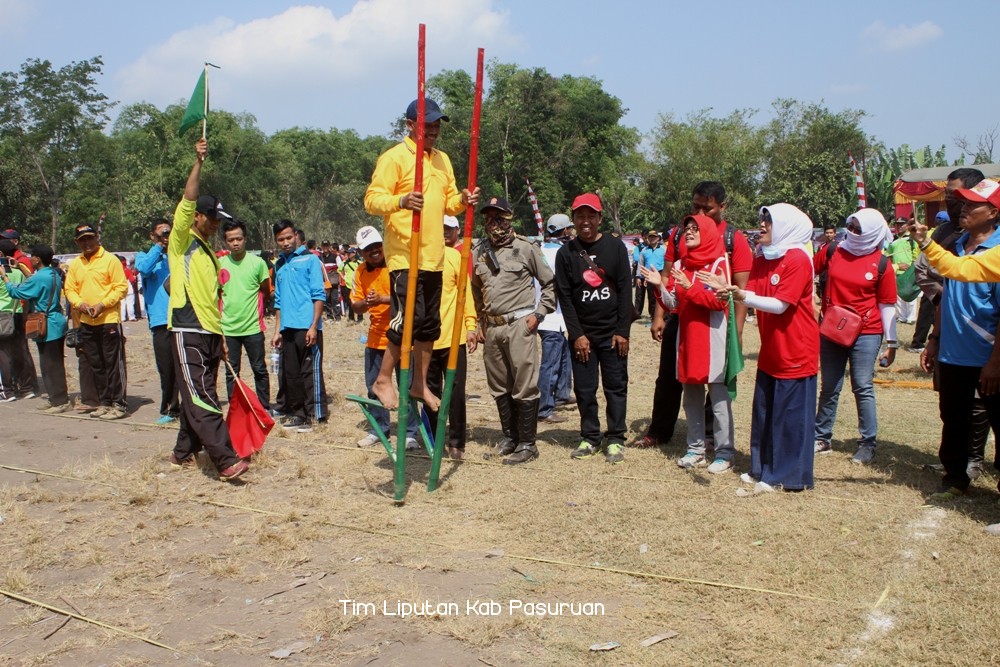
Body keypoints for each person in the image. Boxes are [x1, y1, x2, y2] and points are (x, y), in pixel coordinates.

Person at [363, 97, 479, 411]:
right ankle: (383, 378)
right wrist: (400, 201)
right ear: (411, 125)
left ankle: (419, 383)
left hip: (435, 256)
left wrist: (464, 199)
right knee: (407, 322)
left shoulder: (442, 159)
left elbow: (450, 202)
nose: (433, 130)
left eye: (437, 124)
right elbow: (372, 200)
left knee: (429, 326)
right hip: (405, 255)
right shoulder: (395, 157)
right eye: (427, 124)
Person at [701, 204, 819, 491]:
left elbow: (780, 305)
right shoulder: (764, 257)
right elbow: (749, 294)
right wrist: (728, 288)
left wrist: (742, 295)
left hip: (796, 350)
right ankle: (762, 468)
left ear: (787, 225)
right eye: (762, 219)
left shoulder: (797, 259)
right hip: (771, 351)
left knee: (788, 417)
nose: (762, 224)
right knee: (765, 412)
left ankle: (785, 476)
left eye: (769, 220)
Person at [632, 181, 753, 449]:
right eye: (695, 206)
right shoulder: (680, 234)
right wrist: (658, 316)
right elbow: (667, 276)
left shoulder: (734, 240)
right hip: (682, 316)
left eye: (706, 209)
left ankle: (710, 436)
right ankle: (659, 430)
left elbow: (742, 290)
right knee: (669, 375)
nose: (699, 214)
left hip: (717, 321)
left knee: (715, 378)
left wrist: (739, 332)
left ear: (722, 207)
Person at [166, 139, 247, 481]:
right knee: (202, 396)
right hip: (187, 329)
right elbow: (187, 198)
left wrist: (222, 337)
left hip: (210, 332)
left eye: (219, 219)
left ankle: (182, 454)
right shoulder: (182, 239)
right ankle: (225, 459)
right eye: (211, 218)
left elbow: (212, 299)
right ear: (197, 216)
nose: (216, 224)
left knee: (197, 393)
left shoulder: (210, 254)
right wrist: (198, 162)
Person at [914, 178, 1000, 502]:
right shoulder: (958, 244)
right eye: (962, 202)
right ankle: (955, 478)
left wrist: (995, 361)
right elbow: (946, 297)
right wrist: (935, 339)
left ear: (993, 212)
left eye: (971, 204)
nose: (963, 208)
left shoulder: (996, 252)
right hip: (953, 354)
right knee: (953, 418)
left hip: (987, 356)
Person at [643, 215, 734, 474]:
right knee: (691, 396)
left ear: (707, 232)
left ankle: (725, 452)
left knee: (718, 399)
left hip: (712, 335)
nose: (690, 232)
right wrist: (660, 286)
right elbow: (674, 305)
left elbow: (719, 302)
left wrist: (690, 285)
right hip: (688, 336)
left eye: (696, 229)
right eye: (687, 229)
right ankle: (695, 449)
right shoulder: (681, 263)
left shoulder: (718, 261)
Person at [472, 196, 555, 464]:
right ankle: (510, 438)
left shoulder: (526, 248)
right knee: (499, 386)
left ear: (509, 219)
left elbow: (550, 284)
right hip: (493, 329)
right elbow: (475, 289)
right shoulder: (479, 251)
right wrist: (479, 321)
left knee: (524, 386)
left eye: (499, 217)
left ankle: (528, 444)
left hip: (520, 324)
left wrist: (539, 315)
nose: (493, 223)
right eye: (488, 218)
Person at [813, 208, 897, 465]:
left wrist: (891, 343)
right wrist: (812, 302)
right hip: (832, 330)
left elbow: (887, 304)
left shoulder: (882, 263)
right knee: (829, 386)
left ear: (872, 232)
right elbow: (806, 271)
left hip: (867, 333)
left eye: (859, 229)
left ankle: (867, 443)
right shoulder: (833, 250)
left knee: (862, 386)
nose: (852, 232)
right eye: (851, 226)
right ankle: (822, 437)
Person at [555, 193, 631, 464]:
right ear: (573, 219)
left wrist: (623, 331)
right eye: (580, 216)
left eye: (591, 215)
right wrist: (577, 335)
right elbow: (564, 296)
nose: (585, 221)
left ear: (600, 218)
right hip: (583, 336)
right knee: (585, 390)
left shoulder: (616, 248)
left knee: (615, 387)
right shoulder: (566, 253)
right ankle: (590, 436)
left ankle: (615, 438)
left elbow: (625, 290)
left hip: (612, 335)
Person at [350, 226, 419, 450]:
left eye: (376, 246)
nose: (374, 251)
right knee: (374, 386)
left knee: (407, 385)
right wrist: (368, 303)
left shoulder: (396, 264)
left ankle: (409, 432)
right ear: (361, 252)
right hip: (374, 339)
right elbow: (356, 305)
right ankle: (379, 429)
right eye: (368, 249)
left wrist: (381, 298)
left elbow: (408, 296)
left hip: (400, 337)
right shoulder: (360, 272)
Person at [63, 224, 129, 420]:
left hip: (108, 319)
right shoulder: (75, 264)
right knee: (96, 364)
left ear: (97, 237)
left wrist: (102, 304)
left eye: (90, 238)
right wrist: (80, 304)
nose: (87, 243)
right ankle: (104, 402)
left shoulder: (110, 260)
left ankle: (119, 404)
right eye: (82, 240)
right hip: (86, 321)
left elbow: (121, 288)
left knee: (113, 364)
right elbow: (69, 289)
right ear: (77, 242)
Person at [271, 219, 328, 433]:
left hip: (307, 326)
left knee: (309, 372)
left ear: (296, 235)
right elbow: (278, 301)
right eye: (280, 239)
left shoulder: (310, 260)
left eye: (288, 237)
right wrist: (277, 330)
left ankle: (315, 414)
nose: (285, 242)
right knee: (291, 373)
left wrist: (314, 326)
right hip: (287, 328)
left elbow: (318, 295)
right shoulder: (279, 264)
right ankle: (299, 414)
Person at [425, 231, 478, 459]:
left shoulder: (455, 257)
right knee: (429, 392)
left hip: (453, 337)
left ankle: (457, 442)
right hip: (425, 339)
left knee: (456, 392)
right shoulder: (419, 256)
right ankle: (435, 441)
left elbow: (465, 293)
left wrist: (471, 325)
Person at [2, 245, 68, 413]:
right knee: (54, 362)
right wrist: (22, 270)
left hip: (47, 324)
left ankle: (59, 401)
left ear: (37, 259)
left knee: (50, 365)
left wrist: (5, 277)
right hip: (56, 321)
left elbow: (17, 293)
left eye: (32, 256)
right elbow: (34, 280)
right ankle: (56, 398)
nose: (30, 259)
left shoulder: (39, 278)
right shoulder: (53, 273)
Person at [219, 219, 272, 411]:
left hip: (253, 328)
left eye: (239, 238)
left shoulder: (258, 263)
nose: (235, 243)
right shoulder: (220, 264)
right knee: (231, 372)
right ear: (225, 241)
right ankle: (237, 409)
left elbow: (266, 290)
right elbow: (216, 295)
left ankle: (264, 407)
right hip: (228, 329)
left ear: (245, 239)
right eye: (231, 239)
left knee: (259, 369)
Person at [135, 216, 180, 424]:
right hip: (161, 321)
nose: (166, 236)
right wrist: (159, 247)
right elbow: (143, 269)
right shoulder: (144, 256)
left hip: (181, 318)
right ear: (152, 236)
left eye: (168, 232)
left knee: (184, 365)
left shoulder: (177, 255)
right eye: (162, 233)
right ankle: (170, 409)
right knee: (166, 368)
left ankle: (188, 407)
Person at [537, 213, 574, 424]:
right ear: (565, 231)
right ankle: (544, 408)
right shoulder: (562, 253)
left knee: (563, 356)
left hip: (552, 315)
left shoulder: (540, 251)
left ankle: (561, 394)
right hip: (552, 316)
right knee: (550, 364)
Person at [887, 218, 919, 324]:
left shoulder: (911, 239)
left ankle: (911, 317)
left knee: (910, 294)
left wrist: (912, 266)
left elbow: (916, 253)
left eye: (902, 224)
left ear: (907, 226)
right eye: (897, 224)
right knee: (899, 296)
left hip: (909, 271)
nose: (899, 226)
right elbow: (888, 255)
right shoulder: (893, 240)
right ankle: (902, 317)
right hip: (897, 271)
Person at [635, 229, 665, 317]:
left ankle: (662, 315)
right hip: (649, 275)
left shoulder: (663, 249)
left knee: (662, 294)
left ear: (658, 238)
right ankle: (653, 315)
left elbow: (667, 263)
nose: (652, 239)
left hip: (661, 274)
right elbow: (640, 264)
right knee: (651, 296)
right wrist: (638, 277)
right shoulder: (644, 250)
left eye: (654, 237)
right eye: (650, 237)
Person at [340, 249, 362, 323]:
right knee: (349, 302)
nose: (348, 254)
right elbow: (339, 270)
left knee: (358, 301)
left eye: (350, 253)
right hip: (348, 285)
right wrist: (344, 278)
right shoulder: (344, 263)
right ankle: (351, 317)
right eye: (347, 253)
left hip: (357, 285)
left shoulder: (359, 263)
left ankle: (360, 318)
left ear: (354, 253)